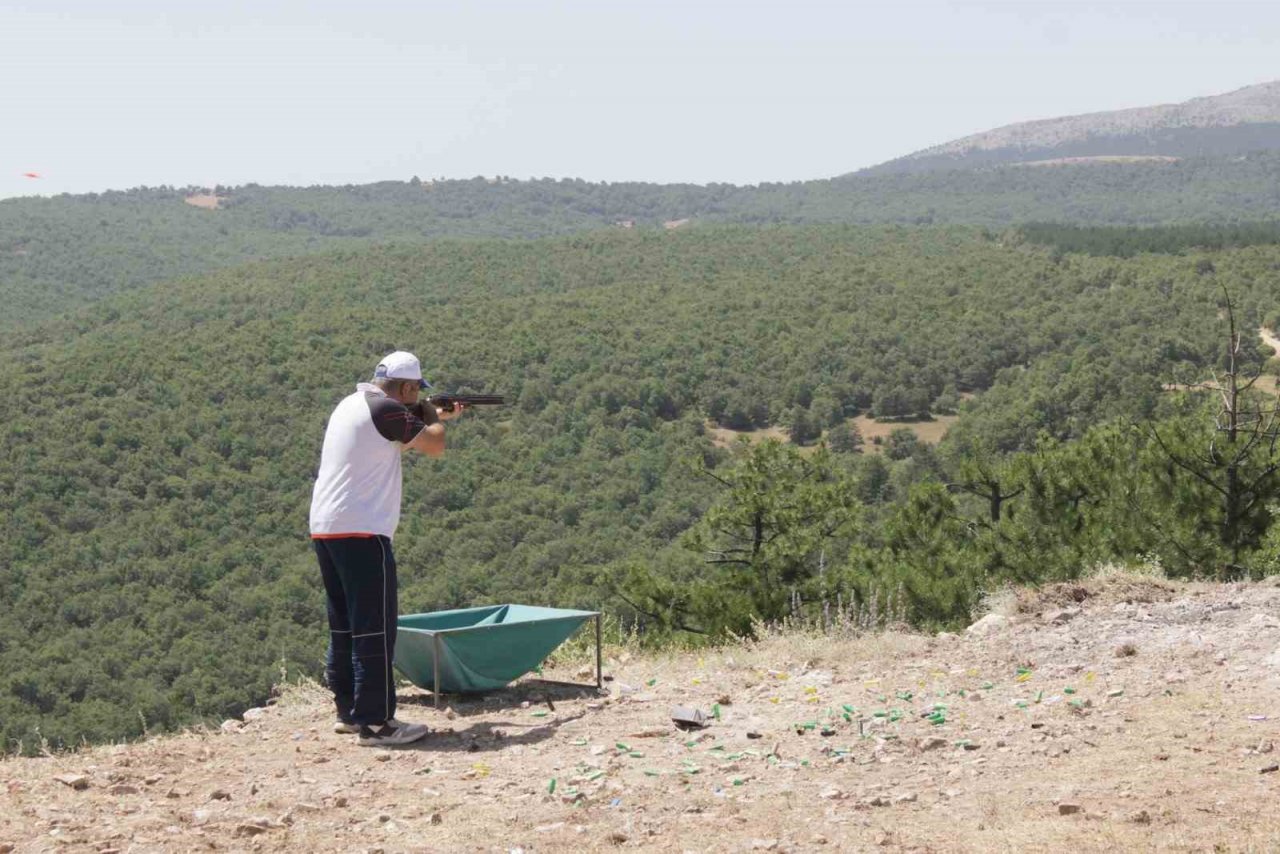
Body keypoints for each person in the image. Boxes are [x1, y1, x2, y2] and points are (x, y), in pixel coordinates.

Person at [309, 351, 465, 746]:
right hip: (363, 530)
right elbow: (434, 446)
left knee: (345, 625)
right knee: (374, 627)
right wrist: (432, 417)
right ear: (408, 388)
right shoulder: (386, 409)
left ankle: (350, 711)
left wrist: (428, 415)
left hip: (328, 528)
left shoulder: (353, 404)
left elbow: (390, 446)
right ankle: (377, 724)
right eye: (417, 391)